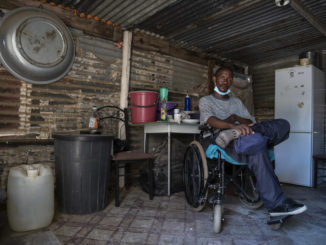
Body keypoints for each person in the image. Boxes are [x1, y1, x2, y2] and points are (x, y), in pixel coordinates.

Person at [199, 66, 307, 216]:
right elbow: (210, 120)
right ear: (214, 79)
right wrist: (231, 124)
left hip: (248, 134)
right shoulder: (206, 100)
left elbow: (250, 121)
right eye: (222, 77)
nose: (226, 80)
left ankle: (247, 135)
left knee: (283, 125)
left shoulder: (236, 102)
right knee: (257, 142)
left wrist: (236, 118)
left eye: (229, 78)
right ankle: (278, 204)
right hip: (224, 139)